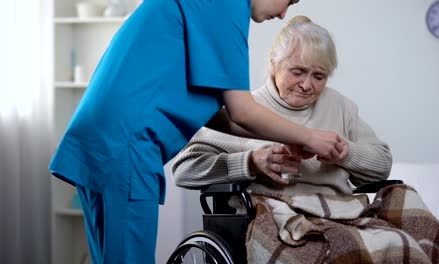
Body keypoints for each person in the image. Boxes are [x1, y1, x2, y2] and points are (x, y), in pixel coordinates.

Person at [48, 1, 350, 263]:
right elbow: (242, 111)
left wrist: (289, 136)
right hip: (125, 146)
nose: (284, 14)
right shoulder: (227, 4)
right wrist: (309, 136)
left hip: (101, 139)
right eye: (290, 1)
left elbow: (224, 116)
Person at [172, 15, 393, 196]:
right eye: (297, 72)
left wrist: (345, 153)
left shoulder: (340, 107)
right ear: (274, 64)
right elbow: (183, 170)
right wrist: (250, 163)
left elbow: (381, 168)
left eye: (319, 76)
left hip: (338, 216)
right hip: (273, 220)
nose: (307, 85)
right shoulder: (246, 109)